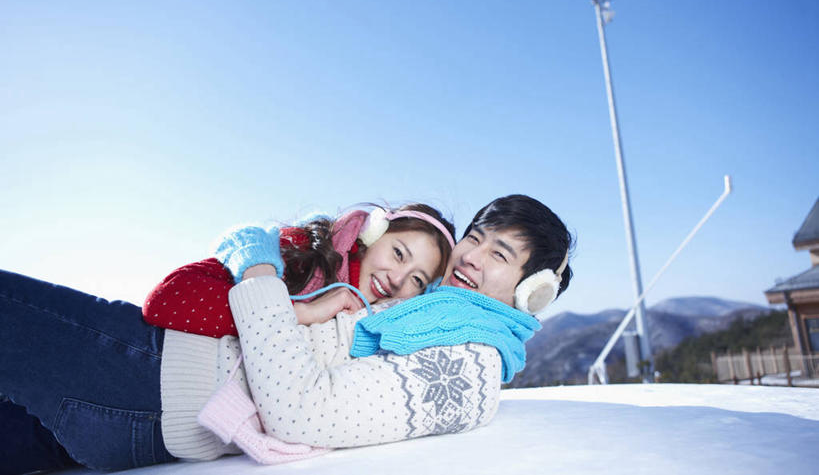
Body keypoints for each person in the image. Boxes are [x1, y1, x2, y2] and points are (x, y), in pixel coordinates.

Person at [0, 194, 573, 472]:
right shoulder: (424, 315)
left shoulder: (467, 364)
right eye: (476, 237)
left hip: (151, 381)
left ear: (532, 292)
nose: (472, 257)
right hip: (155, 380)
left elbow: (302, 411)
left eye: (499, 253)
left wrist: (260, 276)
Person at [143, 203, 457, 334]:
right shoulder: (306, 254)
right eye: (399, 253)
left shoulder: (369, 323)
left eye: (417, 279)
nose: (398, 279)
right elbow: (166, 301)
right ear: (372, 235)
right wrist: (301, 314)